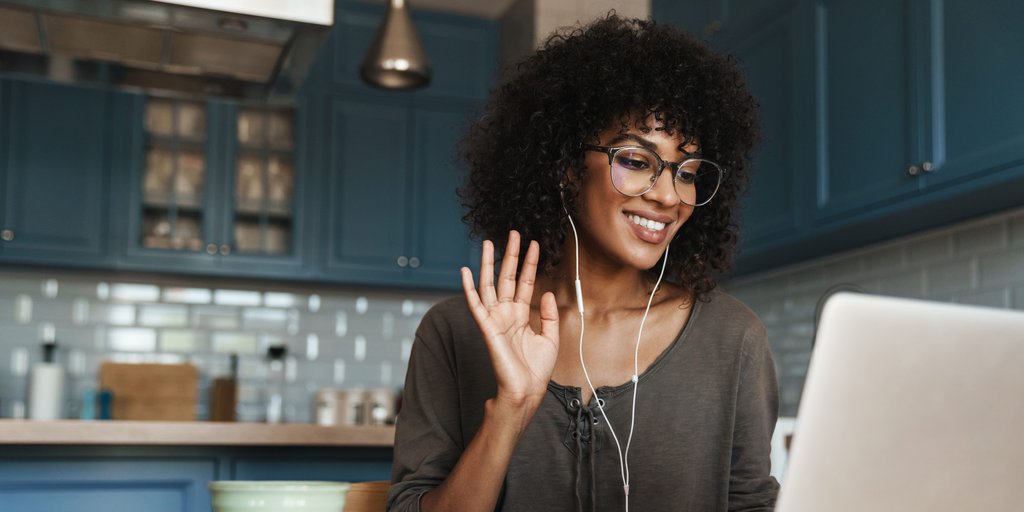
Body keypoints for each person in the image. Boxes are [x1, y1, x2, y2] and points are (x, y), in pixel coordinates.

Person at [387, 14, 779, 512]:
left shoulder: (732, 338)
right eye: (637, 162)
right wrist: (510, 412)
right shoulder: (455, 333)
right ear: (566, 167)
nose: (667, 195)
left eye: (688, 171)